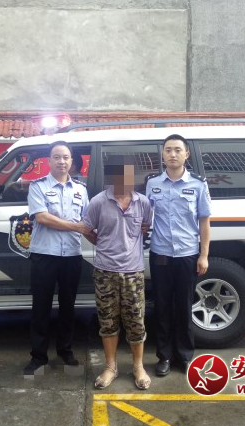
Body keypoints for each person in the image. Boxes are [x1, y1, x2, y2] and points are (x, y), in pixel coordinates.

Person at [81, 155, 153, 390]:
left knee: (136, 321)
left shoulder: (143, 202)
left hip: (133, 272)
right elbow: (86, 229)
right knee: (108, 321)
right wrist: (102, 243)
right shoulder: (98, 202)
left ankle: (138, 366)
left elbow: (146, 227)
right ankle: (110, 367)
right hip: (105, 272)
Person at [24, 141, 93, 376]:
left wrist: (102, 240)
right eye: (56, 157)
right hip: (45, 255)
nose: (61, 161)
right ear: (49, 160)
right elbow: (42, 218)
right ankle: (38, 357)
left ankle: (65, 350)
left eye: (65, 157)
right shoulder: (38, 186)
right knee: (40, 307)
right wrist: (76, 226)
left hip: (71, 256)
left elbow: (88, 222)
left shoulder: (81, 190)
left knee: (68, 306)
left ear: (71, 161)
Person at [146, 134, 212, 376]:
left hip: (187, 254)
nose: (172, 154)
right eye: (168, 150)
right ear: (162, 154)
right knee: (162, 306)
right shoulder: (153, 183)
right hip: (160, 254)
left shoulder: (198, 184)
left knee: (184, 306)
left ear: (186, 154)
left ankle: (184, 356)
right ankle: (164, 356)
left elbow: (204, 222)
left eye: (177, 150)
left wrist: (204, 255)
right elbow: (145, 217)